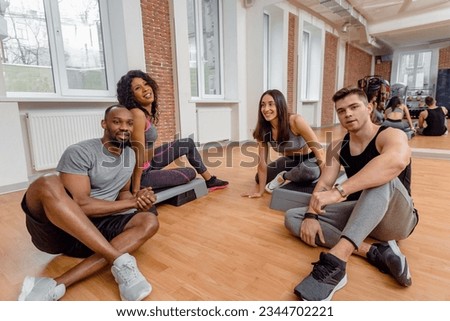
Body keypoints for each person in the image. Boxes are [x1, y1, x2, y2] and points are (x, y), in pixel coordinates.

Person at [285, 87, 419, 301]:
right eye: (341, 110)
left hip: (397, 219)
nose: (347, 114)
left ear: (369, 108)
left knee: (381, 177)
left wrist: (339, 192)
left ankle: (336, 263)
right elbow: (324, 182)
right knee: (294, 218)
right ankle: (375, 252)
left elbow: (396, 161)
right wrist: (311, 214)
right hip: (363, 214)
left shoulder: (392, 134)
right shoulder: (338, 147)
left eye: (354, 107)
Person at [18, 105, 159, 301]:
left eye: (129, 123)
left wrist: (140, 201)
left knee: (149, 220)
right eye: (117, 121)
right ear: (104, 123)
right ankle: (119, 260)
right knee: (47, 182)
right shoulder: (80, 151)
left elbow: (124, 193)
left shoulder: (130, 155)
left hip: (97, 233)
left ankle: (57, 283)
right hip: (64, 231)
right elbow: (81, 205)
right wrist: (131, 204)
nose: (124, 127)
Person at [116, 70, 228, 194]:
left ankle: (210, 180)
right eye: (138, 88)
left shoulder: (144, 113)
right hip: (141, 175)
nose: (145, 89)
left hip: (150, 162)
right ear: (131, 96)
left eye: (146, 84)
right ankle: (141, 186)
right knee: (189, 173)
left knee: (187, 143)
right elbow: (139, 155)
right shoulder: (137, 114)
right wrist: (135, 191)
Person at [241, 89, 325, 198]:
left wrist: (326, 185)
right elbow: (262, 164)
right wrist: (260, 192)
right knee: (259, 177)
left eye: (271, 104)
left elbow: (319, 151)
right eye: (263, 105)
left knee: (309, 172)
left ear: (280, 105)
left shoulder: (295, 121)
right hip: (289, 161)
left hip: (309, 159)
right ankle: (291, 174)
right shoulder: (263, 130)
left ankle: (284, 176)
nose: (266, 109)